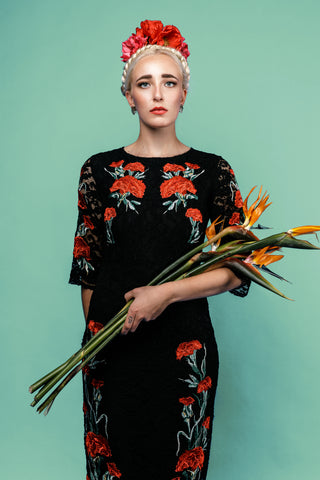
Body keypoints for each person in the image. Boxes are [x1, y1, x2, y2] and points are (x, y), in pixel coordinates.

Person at [69, 19, 249, 480]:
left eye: (168, 82)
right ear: (129, 96)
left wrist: (165, 294)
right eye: (144, 83)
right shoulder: (99, 170)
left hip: (183, 351)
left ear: (184, 92)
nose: (157, 94)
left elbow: (238, 269)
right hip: (112, 347)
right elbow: (87, 267)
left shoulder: (214, 172)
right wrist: (99, 338)